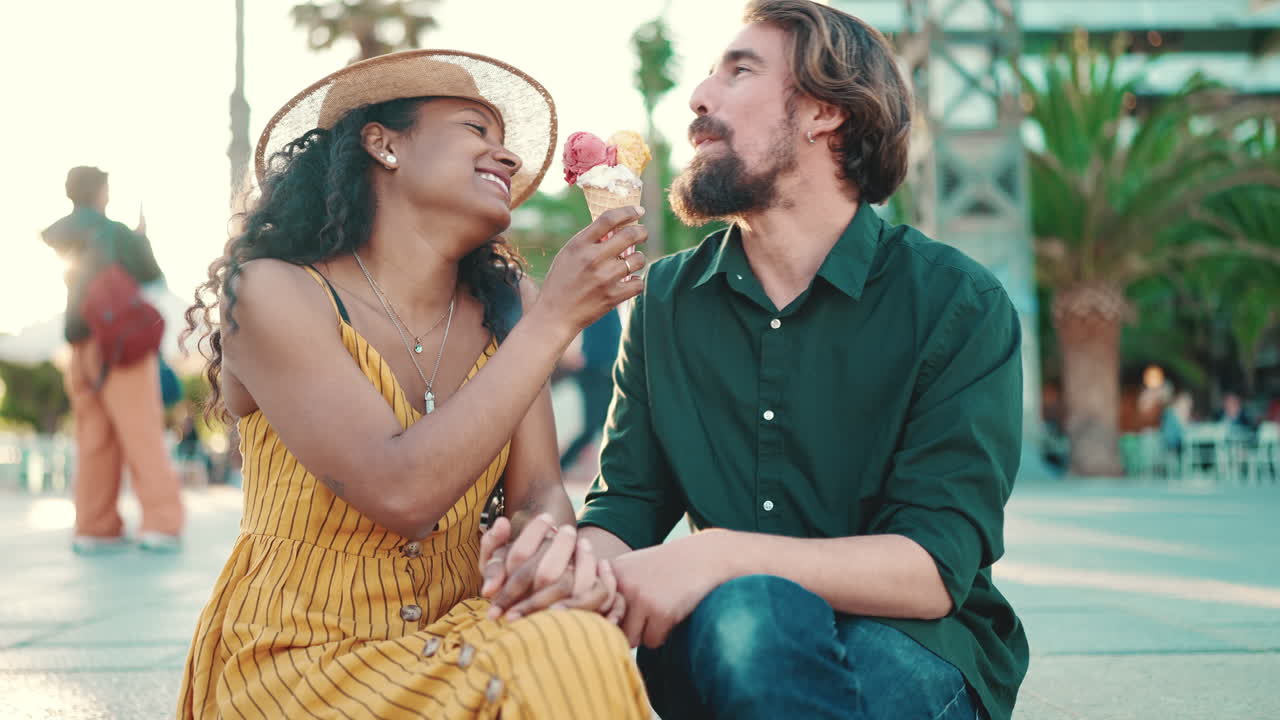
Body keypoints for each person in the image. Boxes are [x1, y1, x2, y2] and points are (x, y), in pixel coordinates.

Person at [495, 2, 1030, 718]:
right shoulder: (665, 299)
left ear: (822, 112)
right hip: (726, 639)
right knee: (747, 620)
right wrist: (570, 571)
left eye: (739, 71)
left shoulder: (956, 302)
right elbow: (630, 503)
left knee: (759, 617)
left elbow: (932, 567)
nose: (698, 97)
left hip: (913, 649)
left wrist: (717, 557)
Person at [176, 50, 651, 719]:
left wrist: (542, 553)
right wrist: (554, 322)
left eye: (504, 141)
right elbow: (400, 491)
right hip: (298, 657)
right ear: (383, 143)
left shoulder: (504, 306)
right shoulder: (269, 292)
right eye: (474, 130)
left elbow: (539, 489)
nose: (506, 156)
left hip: (454, 632)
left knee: (579, 645)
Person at [42, 166, 184, 554]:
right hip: (120, 346)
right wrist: (142, 240)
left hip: (78, 348)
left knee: (93, 439)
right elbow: (153, 279)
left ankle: (94, 527)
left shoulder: (60, 233)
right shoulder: (116, 232)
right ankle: (161, 524)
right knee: (142, 432)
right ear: (101, 192)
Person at [558, 308, 622, 470]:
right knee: (593, 428)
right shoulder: (603, 304)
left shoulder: (610, 307)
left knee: (607, 426)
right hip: (596, 372)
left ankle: (617, 473)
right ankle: (559, 467)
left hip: (604, 372)